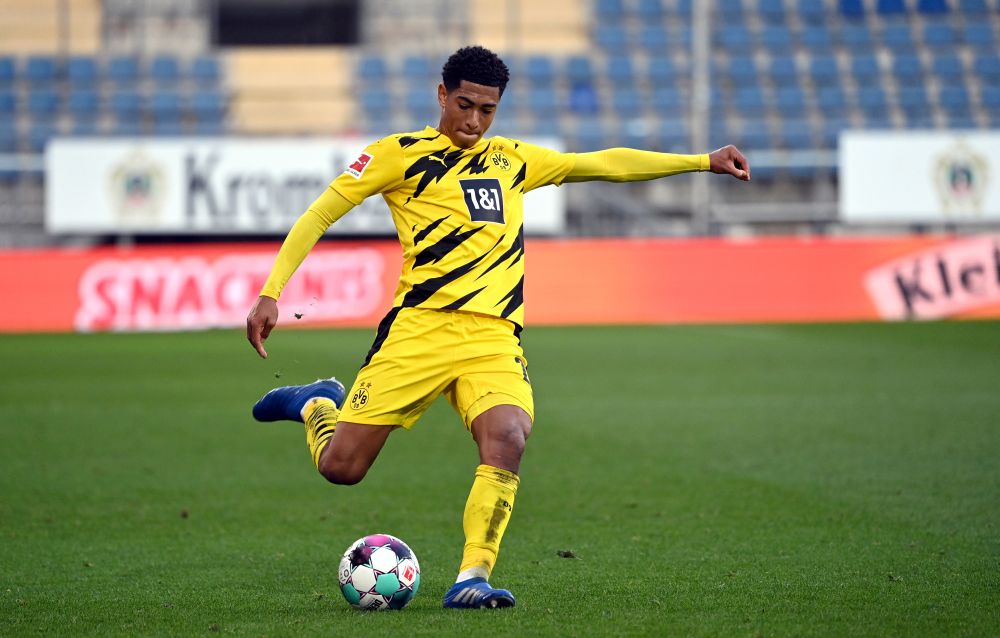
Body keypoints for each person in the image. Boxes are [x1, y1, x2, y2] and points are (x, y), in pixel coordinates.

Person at [246, 45, 750, 610]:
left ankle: (472, 576)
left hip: (493, 338)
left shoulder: (513, 160)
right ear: (442, 95)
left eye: (488, 110)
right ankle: (318, 405)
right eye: (465, 105)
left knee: (508, 437)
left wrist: (701, 161)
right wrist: (271, 292)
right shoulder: (397, 155)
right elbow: (319, 214)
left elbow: (601, 163)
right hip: (419, 331)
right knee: (342, 469)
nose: (474, 121)